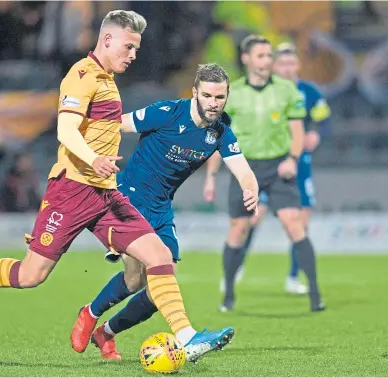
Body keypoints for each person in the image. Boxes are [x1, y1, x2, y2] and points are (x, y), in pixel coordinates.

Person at [0, 10, 231, 354]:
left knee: (158, 254)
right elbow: (65, 130)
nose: (133, 55)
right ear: (107, 40)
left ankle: (188, 339)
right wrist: (94, 160)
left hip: (105, 194)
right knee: (31, 276)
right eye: (129, 47)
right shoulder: (82, 76)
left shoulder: (107, 80)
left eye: (136, 49)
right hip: (71, 191)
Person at [70, 63, 259, 362]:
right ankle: (90, 313)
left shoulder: (222, 130)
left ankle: (106, 331)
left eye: (220, 97)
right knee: (138, 279)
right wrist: (88, 148)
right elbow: (117, 124)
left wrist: (251, 189)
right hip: (127, 201)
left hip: (160, 208)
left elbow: (243, 170)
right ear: (195, 92)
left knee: (158, 286)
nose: (213, 103)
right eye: (208, 96)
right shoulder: (168, 112)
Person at [204, 35, 325, 313]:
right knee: (239, 229)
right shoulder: (231, 93)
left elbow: (297, 129)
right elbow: (216, 137)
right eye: (261, 56)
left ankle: (315, 294)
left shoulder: (287, 90)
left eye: (269, 56)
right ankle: (229, 293)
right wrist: (211, 176)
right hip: (244, 168)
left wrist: (293, 159)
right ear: (246, 59)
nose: (267, 61)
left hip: (279, 166)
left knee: (294, 224)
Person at [237, 43, 332, 295]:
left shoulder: (310, 92)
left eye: (291, 63)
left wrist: (315, 133)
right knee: (254, 216)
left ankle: (293, 276)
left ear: (298, 65)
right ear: (274, 66)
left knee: (301, 218)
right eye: (282, 64)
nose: (287, 68)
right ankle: (237, 265)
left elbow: (324, 121)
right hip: (268, 162)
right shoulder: (265, 92)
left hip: (300, 164)